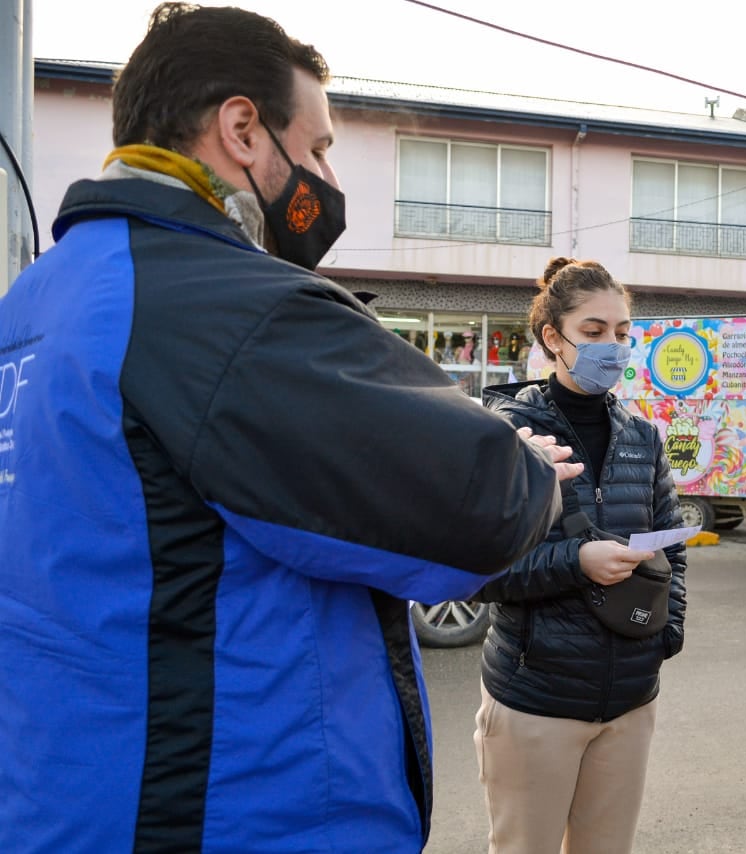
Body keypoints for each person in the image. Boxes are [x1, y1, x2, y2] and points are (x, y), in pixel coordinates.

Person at [0, 5, 581, 852]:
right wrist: (521, 459)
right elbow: (481, 503)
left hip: (57, 801)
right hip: (232, 812)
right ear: (241, 127)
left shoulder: (32, 305)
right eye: (314, 149)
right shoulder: (229, 308)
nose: (323, 179)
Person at [473, 256, 688, 854]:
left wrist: (664, 636)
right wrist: (577, 560)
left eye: (622, 333)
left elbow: (671, 544)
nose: (612, 347)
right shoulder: (509, 434)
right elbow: (478, 569)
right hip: (535, 701)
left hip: (629, 700)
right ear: (553, 338)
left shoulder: (643, 436)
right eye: (593, 332)